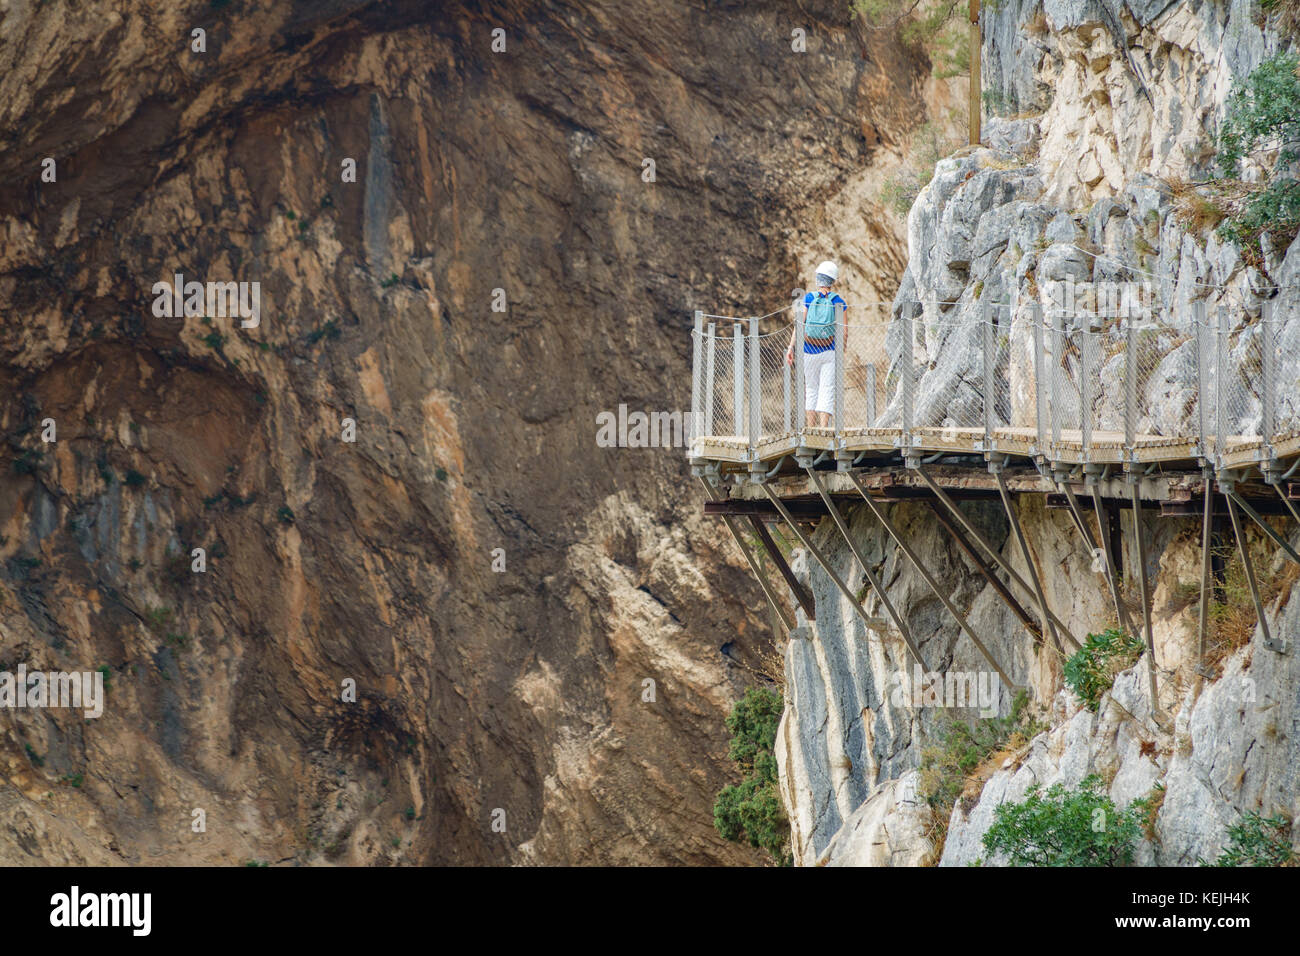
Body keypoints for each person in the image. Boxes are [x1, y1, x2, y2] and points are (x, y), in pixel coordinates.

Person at [785, 260, 847, 428]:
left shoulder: (809, 298)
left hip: (808, 351)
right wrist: (841, 351)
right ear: (833, 281)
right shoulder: (838, 301)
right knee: (827, 388)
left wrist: (791, 348)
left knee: (811, 388)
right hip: (829, 351)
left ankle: (811, 429)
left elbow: (799, 326)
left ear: (818, 278)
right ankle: (823, 428)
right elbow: (844, 331)